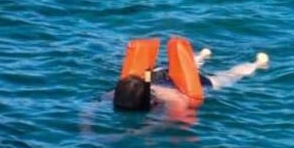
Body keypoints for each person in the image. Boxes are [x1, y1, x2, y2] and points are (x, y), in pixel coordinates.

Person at [111, 35, 268, 112]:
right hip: (156, 75)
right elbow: (90, 111)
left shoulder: (170, 98)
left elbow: (179, 112)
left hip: (179, 85)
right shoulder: (118, 93)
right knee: (184, 70)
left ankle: (257, 64)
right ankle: (199, 57)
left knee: (228, 77)